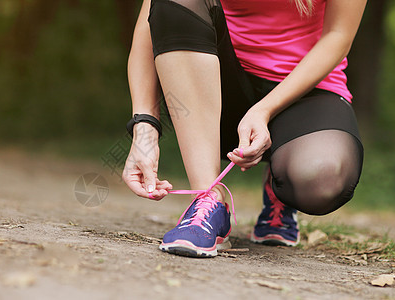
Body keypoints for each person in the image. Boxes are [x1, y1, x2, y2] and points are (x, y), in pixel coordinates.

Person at [122, 0, 366, 258]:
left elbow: (338, 35)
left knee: (321, 181)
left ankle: (279, 184)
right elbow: (150, 23)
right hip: (216, 81)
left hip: (307, 90)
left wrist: (264, 110)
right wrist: (144, 129)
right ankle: (209, 199)